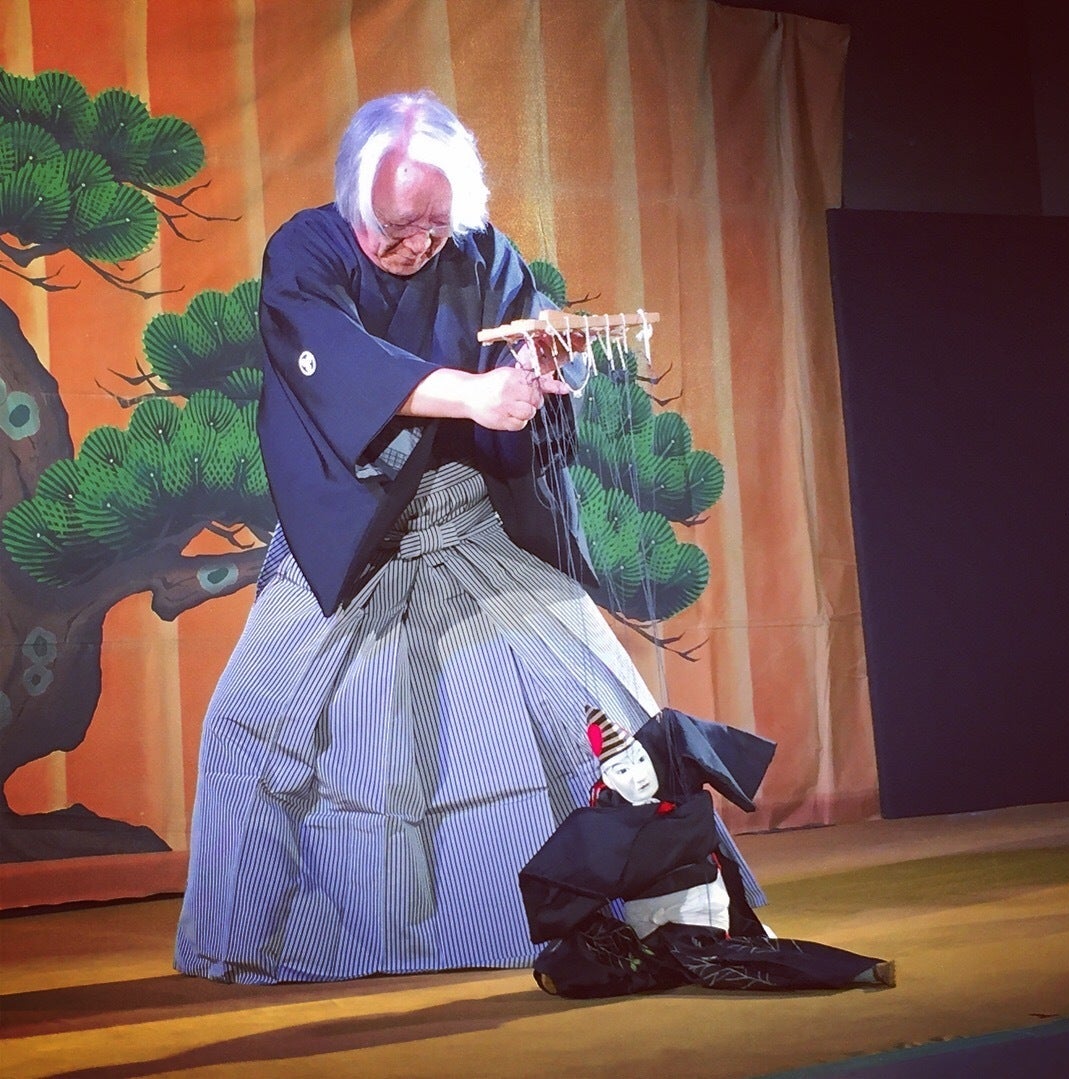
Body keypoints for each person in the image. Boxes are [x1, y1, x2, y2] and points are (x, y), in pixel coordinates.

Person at [175, 90, 756, 984]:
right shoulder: (305, 252)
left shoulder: (485, 255)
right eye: (395, 227)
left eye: (435, 227)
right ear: (354, 195)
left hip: (468, 519)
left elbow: (523, 363)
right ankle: (290, 936)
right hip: (349, 536)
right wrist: (473, 394)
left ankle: (614, 909)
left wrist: (540, 373)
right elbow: (342, 370)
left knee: (585, 707)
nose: (416, 246)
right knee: (255, 725)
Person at [519, 708, 896, 998]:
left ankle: (853, 969)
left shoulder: (683, 800)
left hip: (696, 912)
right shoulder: (601, 819)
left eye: (640, 761)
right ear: (608, 779)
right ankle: (725, 948)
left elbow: (694, 836)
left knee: (710, 963)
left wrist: (649, 847)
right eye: (621, 770)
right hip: (646, 924)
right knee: (598, 955)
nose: (638, 776)